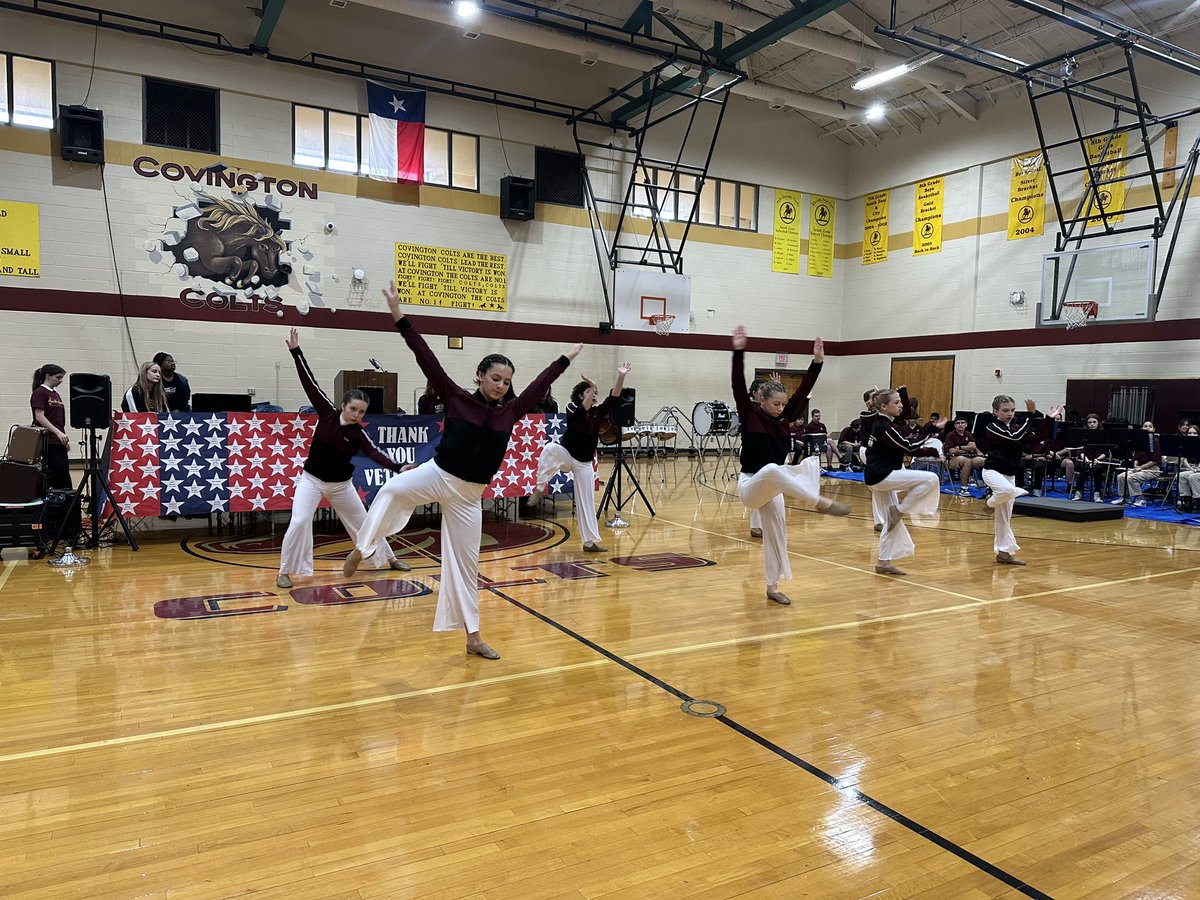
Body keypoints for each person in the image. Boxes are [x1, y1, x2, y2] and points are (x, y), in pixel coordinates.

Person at [343, 281, 581, 660]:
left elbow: (540, 386)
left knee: (465, 567)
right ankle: (363, 547)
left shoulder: (511, 411)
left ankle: (473, 638)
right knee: (390, 491)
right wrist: (398, 315)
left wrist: (564, 360)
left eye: (506, 381)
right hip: (439, 474)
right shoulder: (455, 397)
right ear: (479, 376)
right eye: (495, 379)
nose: (501, 386)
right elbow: (425, 357)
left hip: (470, 497)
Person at [276, 329, 411, 589]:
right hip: (312, 481)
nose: (356, 415)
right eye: (353, 409)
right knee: (300, 521)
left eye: (361, 412)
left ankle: (389, 558)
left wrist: (397, 467)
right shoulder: (326, 412)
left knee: (365, 523)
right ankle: (285, 570)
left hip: (341, 486)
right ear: (343, 405)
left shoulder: (358, 433)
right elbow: (309, 382)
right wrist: (296, 352)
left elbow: (374, 452)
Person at [732, 327, 848, 606]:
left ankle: (772, 587)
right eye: (776, 403)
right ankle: (817, 500)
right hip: (750, 484)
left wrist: (817, 362)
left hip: (775, 487)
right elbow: (736, 384)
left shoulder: (786, 417)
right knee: (774, 469)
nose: (781, 408)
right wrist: (738, 352)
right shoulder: (749, 415)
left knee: (777, 536)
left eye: (784, 404)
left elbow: (804, 390)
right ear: (761, 399)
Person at [529, 363, 631, 552]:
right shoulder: (573, 410)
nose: (594, 394)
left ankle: (589, 543)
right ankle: (540, 487)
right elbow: (582, 409)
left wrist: (621, 376)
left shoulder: (597, 412)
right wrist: (591, 385)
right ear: (580, 396)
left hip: (584, 463)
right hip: (567, 456)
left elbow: (614, 397)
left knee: (587, 501)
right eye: (590, 392)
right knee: (550, 448)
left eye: (595, 392)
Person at [865, 389, 946, 576]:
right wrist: (933, 450)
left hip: (879, 476)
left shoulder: (887, 423)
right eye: (896, 402)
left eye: (900, 402)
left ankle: (883, 562)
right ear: (884, 407)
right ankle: (901, 510)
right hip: (881, 476)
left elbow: (908, 439)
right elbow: (908, 447)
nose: (901, 405)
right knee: (931, 479)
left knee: (891, 522)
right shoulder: (883, 426)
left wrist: (932, 429)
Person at [980, 396, 1063, 566]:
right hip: (992, 472)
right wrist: (1031, 416)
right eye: (1005, 411)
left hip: (1009, 475)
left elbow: (1034, 439)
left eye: (1012, 410)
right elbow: (1014, 438)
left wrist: (1048, 419)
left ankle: (1004, 554)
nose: (1010, 414)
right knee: (1009, 491)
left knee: (1004, 518)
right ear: (995, 412)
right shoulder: (992, 427)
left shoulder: (1016, 426)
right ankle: (989, 504)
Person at [30, 364, 72, 490]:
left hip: (58, 441)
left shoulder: (56, 395)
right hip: (48, 440)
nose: (60, 381)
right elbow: (39, 416)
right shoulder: (40, 392)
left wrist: (62, 438)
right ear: (47, 376)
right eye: (58, 377)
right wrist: (58, 433)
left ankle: (65, 505)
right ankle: (51, 506)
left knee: (63, 473)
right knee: (54, 473)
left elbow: (58, 419)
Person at [1112, 421, 1162, 507]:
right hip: (1140, 468)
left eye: (1150, 426)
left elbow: (1155, 460)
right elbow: (1136, 457)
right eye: (1145, 426)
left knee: (1132, 478)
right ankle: (1124, 497)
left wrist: (1141, 467)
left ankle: (1141, 499)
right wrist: (1135, 465)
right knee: (1121, 477)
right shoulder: (1139, 441)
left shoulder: (1156, 441)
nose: (1147, 428)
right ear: (1141, 429)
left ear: (1153, 430)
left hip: (1152, 469)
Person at [944, 417, 983, 497]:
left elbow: (973, 446)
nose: (960, 425)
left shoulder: (968, 434)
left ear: (966, 425)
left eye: (962, 423)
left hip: (968, 456)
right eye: (958, 423)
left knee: (985, 460)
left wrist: (960, 448)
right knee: (966, 461)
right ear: (955, 425)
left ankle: (988, 486)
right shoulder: (950, 435)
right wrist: (967, 449)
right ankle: (964, 489)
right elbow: (952, 451)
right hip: (953, 459)